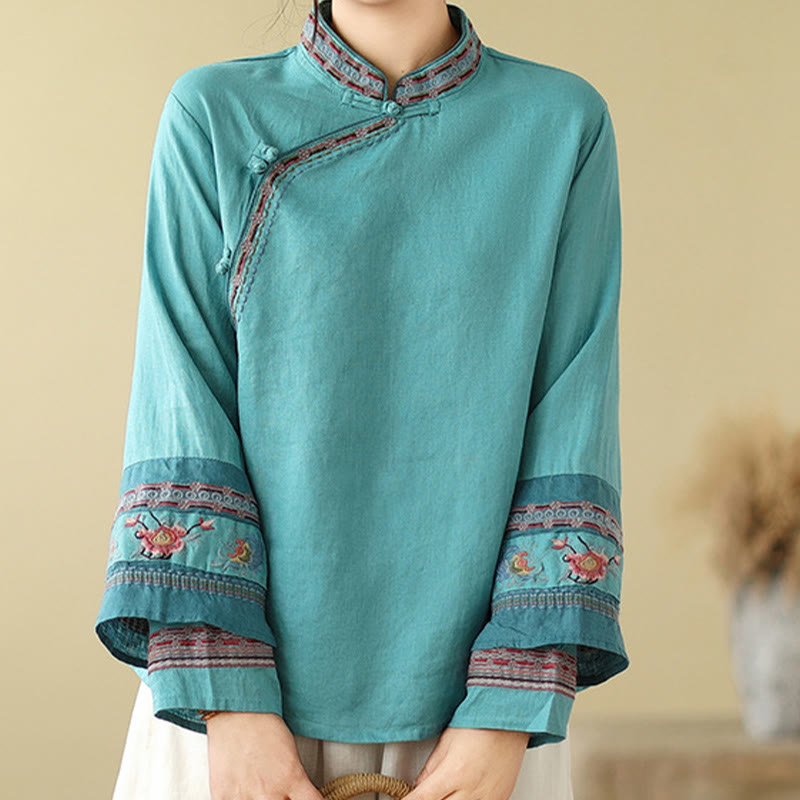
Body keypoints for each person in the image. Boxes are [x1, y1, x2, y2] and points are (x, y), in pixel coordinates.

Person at [94, 1, 629, 798]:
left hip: (482, 721)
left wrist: (505, 713)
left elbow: (571, 416)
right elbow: (182, 402)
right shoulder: (211, 113)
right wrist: (229, 703)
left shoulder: (563, 124)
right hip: (230, 716)